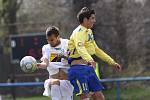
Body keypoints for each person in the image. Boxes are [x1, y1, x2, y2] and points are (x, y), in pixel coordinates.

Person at [67, 7, 122, 100]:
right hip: (78, 69)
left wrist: (112, 62)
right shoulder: (78, 32)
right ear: (85, 19)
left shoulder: (89, 32)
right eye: (92, 18)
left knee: (99, 97)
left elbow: (96, 50)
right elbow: (80, 48)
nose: (94, 21)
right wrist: (90, 60)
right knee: (85, 97)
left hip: (88, 68)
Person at [37, 26, 74, 100]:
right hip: (54, 81)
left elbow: (73, 60)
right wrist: (38, 65)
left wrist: (64, 57)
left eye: (51, 40)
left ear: (58, 37)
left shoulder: (67, 43)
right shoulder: (46, 48)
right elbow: (45, 63)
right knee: (55, 84)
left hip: (66, 82)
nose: (49, 42)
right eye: (47, 40)